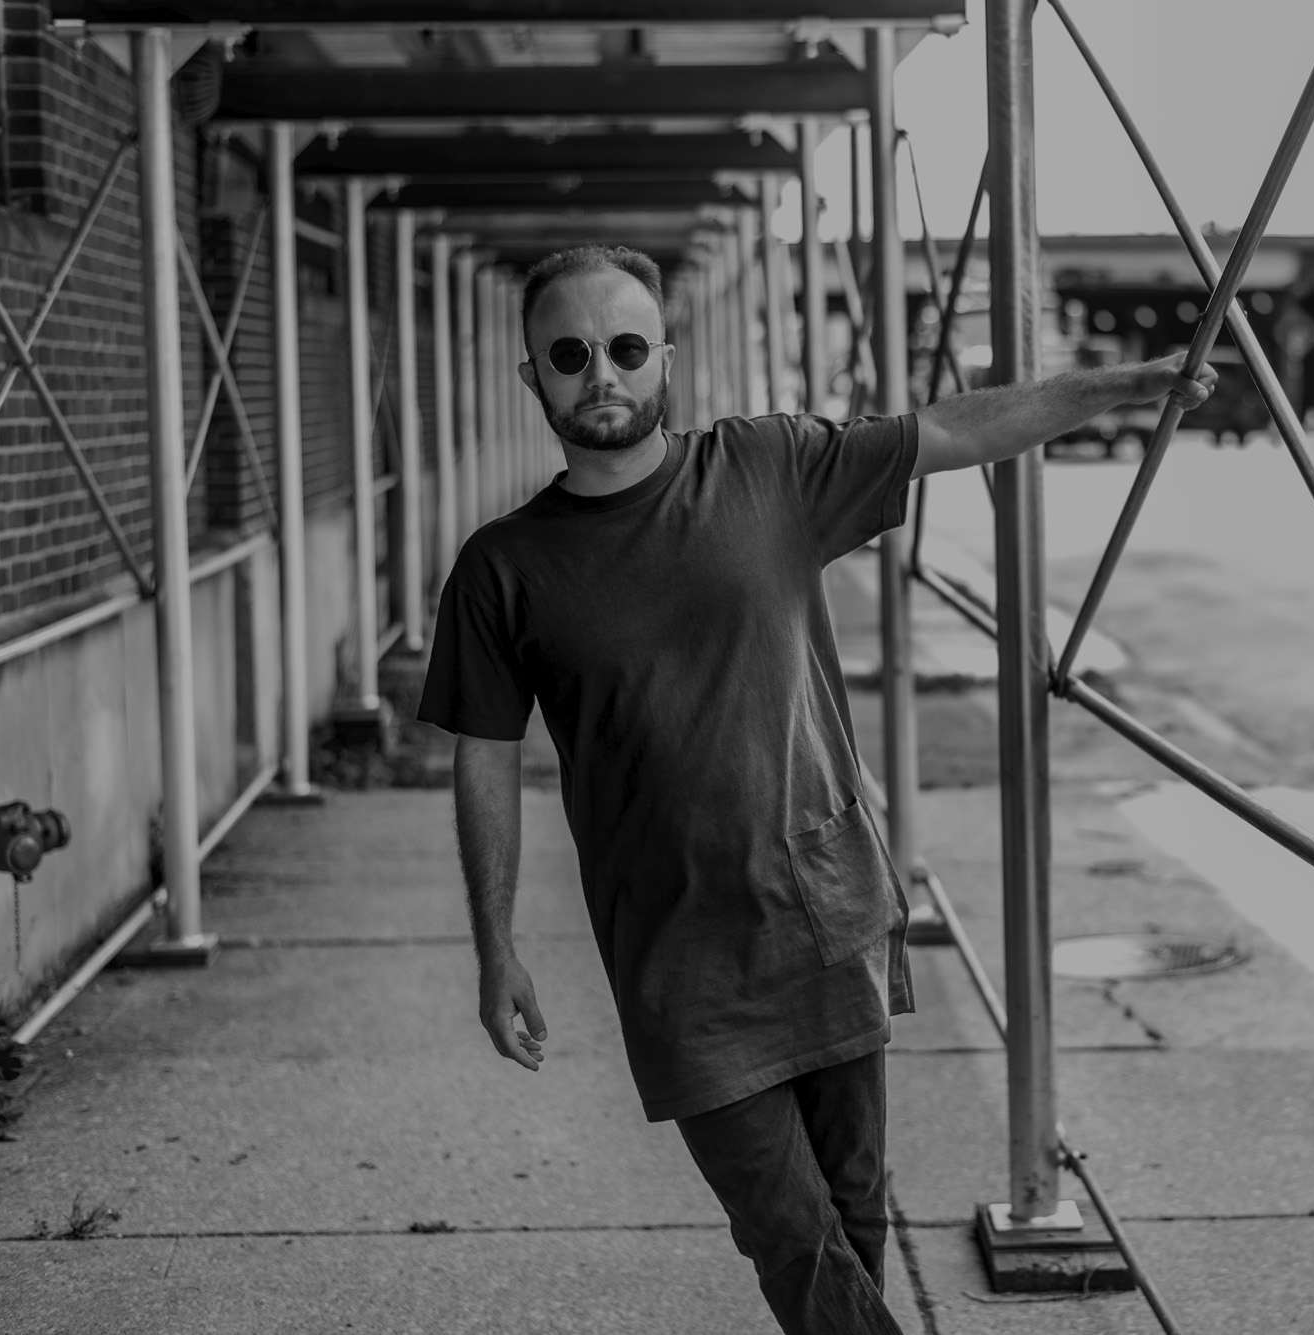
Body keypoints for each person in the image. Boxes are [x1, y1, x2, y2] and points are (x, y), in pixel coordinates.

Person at [417, 243, 1215, 1335]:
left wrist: (1114, 387)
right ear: (531, 377)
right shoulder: (502, 567)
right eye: (567, 353)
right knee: (791, 1240)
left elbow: (957, 429)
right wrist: (493, 944)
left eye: (625, 346)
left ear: (664, 358)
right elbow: (483, 755)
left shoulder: (767, 467)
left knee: (853, 1220)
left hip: (827, 911)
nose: (599, 373)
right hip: (678, 964)